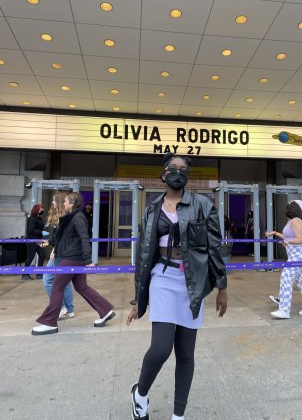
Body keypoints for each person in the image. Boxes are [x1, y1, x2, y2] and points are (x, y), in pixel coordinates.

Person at [126, 153, 228, 420]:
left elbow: (214, 247)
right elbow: (145, 254)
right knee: (161, 348)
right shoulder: (151, 209)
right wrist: (139, 297)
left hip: (191, 283)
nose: (177, 171)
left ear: (188, 176)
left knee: (185, 353)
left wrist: (222, 286)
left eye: (183, 169)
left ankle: (178, 416)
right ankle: (140, 394)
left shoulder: (204, 205)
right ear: (163, 174)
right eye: (172, 167)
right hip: (162, 278)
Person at [32, 192, 115, 335]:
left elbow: (84, 238)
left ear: (72, 204)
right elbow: (64, 237)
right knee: (81, 287)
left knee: (57, 286)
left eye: (65, 201)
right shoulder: (72, 217)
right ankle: (106, 310)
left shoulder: (78, 217)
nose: (63, 204)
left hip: (73, 258)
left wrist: (88, 261)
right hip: (74, 257)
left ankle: (50, 322)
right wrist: (50, 242)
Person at [266, 202, 302, 319]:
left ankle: (284, 310)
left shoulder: (295, 221)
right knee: (301, 281)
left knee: (286, 278)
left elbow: (299, 239)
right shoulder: (293, 221)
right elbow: (289, 236)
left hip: (298, 254)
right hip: (295, 253)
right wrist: (275, 233)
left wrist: (288, 242)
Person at [42, 192, 75, 319]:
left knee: (48, 279)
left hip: (61, 253)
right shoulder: (65, 216)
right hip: (65, 252)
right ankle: (70, 310)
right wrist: (49, 242)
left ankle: (60, 307)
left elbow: (62, 238)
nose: (52, 203)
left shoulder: (65, 218)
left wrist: (53, 251)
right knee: (65, 282)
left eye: (54, 200)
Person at [21, 204, 49, 280]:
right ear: (36, 209)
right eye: (41, 209)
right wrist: (41, 232)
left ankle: (39, 273)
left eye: (43, 208)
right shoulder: (32, 218)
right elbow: (31, 230)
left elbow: (38, 227)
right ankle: (25, 274)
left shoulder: (39, 218)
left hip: (38, 240)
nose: (42, 210)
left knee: (42, 255)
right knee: (30, 257)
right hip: (32, 240)